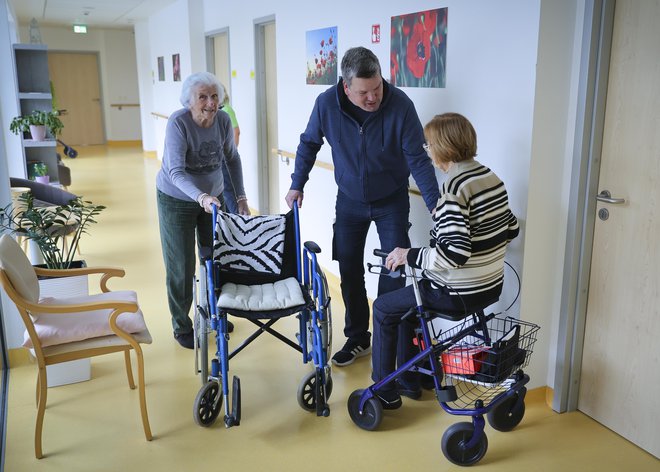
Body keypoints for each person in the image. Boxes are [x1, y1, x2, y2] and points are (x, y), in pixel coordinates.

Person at [285, 46, 440, 367]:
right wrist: (297, 183)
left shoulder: (400, 106)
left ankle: (390, 345)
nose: (373, 98)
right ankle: (358, 337)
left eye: (377, 88)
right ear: (346, 87)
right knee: (349, 269)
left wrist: (437, 205)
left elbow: (419, 160)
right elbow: (309, 143)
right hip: (350, 201)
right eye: (363, 93)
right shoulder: (326, 104)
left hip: (391, 200)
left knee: (395, 269)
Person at [371, 112, 519, 409]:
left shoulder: (453, 189)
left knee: (384, 308)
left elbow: (454, 254)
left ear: (443, 148)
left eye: (428, 145)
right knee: (407, 310)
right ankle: (414, 376)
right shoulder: (491, 178)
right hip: (489, 288)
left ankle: (383, 389)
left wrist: (407, 255)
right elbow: (511, 229)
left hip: (455, 294)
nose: (427, 151)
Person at [156, 71, 250, 349]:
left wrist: (241, 196)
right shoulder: (178, 123)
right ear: (189, 101)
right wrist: (201, 197)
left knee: (215, 259)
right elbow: (175, 171)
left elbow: (232, 159)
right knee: (181, 265)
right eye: (203, 97)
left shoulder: (222, 120)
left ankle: (214, 313)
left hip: (214, 198)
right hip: (177, 199)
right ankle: (181, 324)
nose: (210, 102)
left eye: (214, 96)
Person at [219, 83, 241, 213]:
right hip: (217, 159)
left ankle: (237, 221)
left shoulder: (226, 110)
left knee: (229, 192)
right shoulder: (218, 111)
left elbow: (236, 132)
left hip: (225, 159)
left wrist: (230, 154)